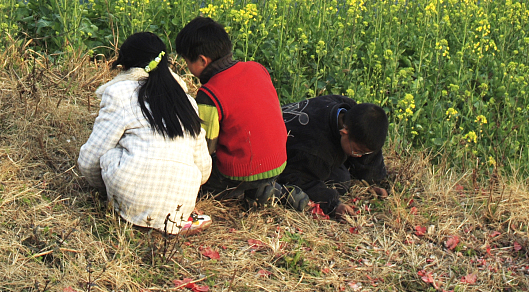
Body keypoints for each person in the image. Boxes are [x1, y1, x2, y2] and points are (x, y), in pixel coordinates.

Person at [77, 32, 212, 233]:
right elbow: (203, 170)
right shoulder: (188, 103)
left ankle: (131, 211)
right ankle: (170, 218)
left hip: (130, 197)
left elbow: (89, 160)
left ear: (125, 65)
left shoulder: (120, 93)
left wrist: (105, 191)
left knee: (111, 152)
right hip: (181, 204)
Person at [174, 16, 288, 207]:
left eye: (187, 62)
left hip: (241, 172)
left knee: (191, 182)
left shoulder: (209, 94)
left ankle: (251, 189)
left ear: (202, 60)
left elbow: (205, 149)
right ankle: (266, 188)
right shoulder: (256, 68)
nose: (187, 68)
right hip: (277, 162)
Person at [280, 95, 390, 218]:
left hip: (304, 131)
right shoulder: (316, 152)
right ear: (344, 133)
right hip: (289, 151)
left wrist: (372, 181)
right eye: (357, 151)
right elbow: (298, 178)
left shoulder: (347, 108)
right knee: (340, 180)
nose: (359, 156)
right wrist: (333, 204)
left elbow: (368, 143)